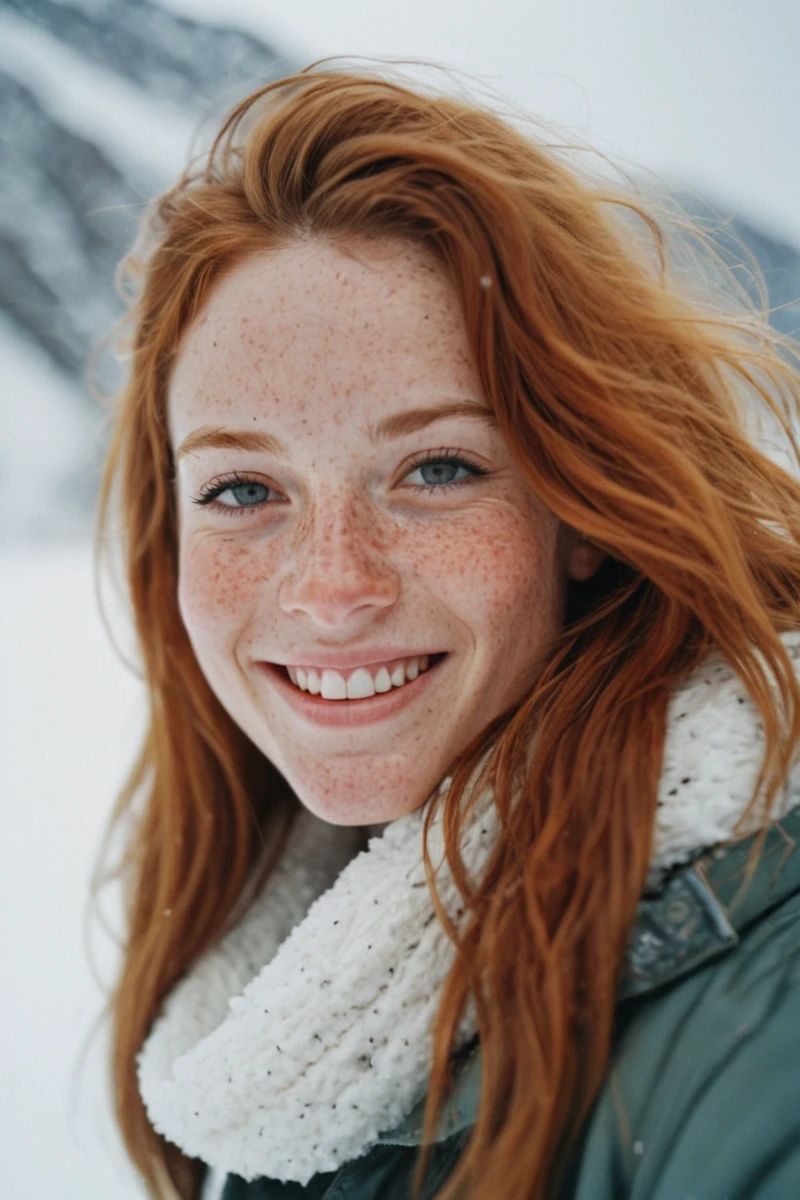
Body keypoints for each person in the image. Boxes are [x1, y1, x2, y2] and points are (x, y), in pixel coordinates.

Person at [97, 68, 800, 1200]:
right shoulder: (296, 952)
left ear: (578, 505)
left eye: (436, 468)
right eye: (241, 490)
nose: (331, 592)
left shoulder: (761, 1014)